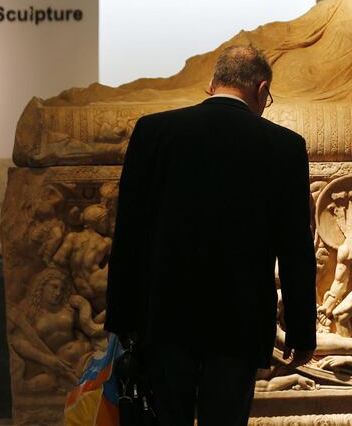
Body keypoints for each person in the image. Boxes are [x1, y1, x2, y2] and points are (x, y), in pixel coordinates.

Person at [105, 44, 317, 426]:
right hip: (239, 322)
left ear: (210, 85)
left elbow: (129, 232)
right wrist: (302, 332)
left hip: (165, 318)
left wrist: (122, 318)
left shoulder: (154, 132)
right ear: (261, 88)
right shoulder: (284, 146)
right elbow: (295, 249)